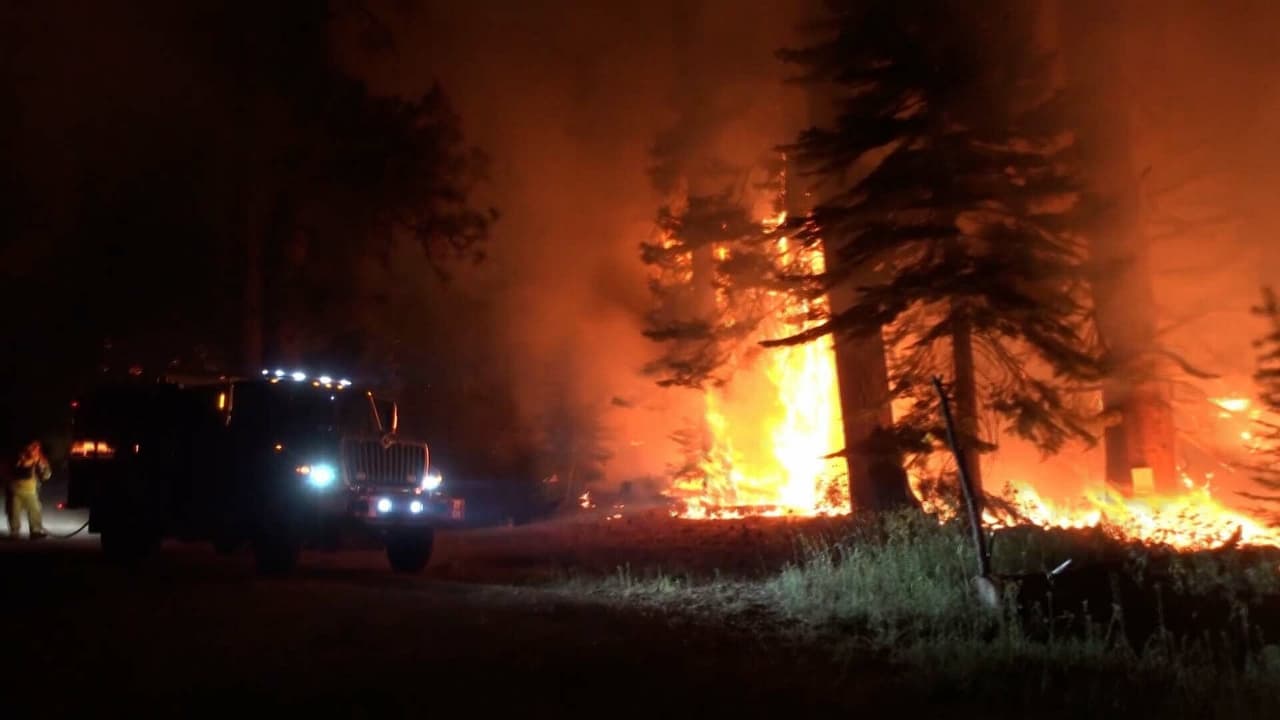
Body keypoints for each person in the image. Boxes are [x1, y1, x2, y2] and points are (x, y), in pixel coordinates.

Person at [9, 440, 51, 539]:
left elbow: (46, 475)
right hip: (16, 489)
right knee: (14, 511)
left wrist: (42, 467)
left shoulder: (40, 459)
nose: (35, 451)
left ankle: (35, 531)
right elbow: (19, 468)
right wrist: (32, 461)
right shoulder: (20, 457)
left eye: (37, 448)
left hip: (30, 490)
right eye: (33, 448)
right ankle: (14, 532)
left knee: (35, 510)